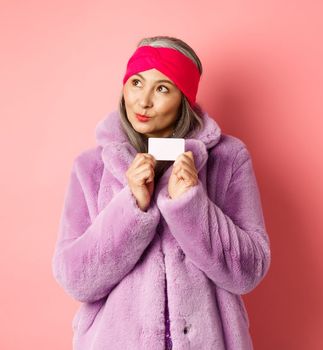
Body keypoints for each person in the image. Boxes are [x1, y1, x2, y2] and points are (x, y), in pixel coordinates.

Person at [51, 36, 271, 350]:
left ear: (185, 97)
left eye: (163, 88)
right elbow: (75, 278)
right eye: (136, 83)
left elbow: (249, 271)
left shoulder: (229, 159)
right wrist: (131, 208)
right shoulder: (91, 167)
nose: (143, 101)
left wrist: (192, 205)